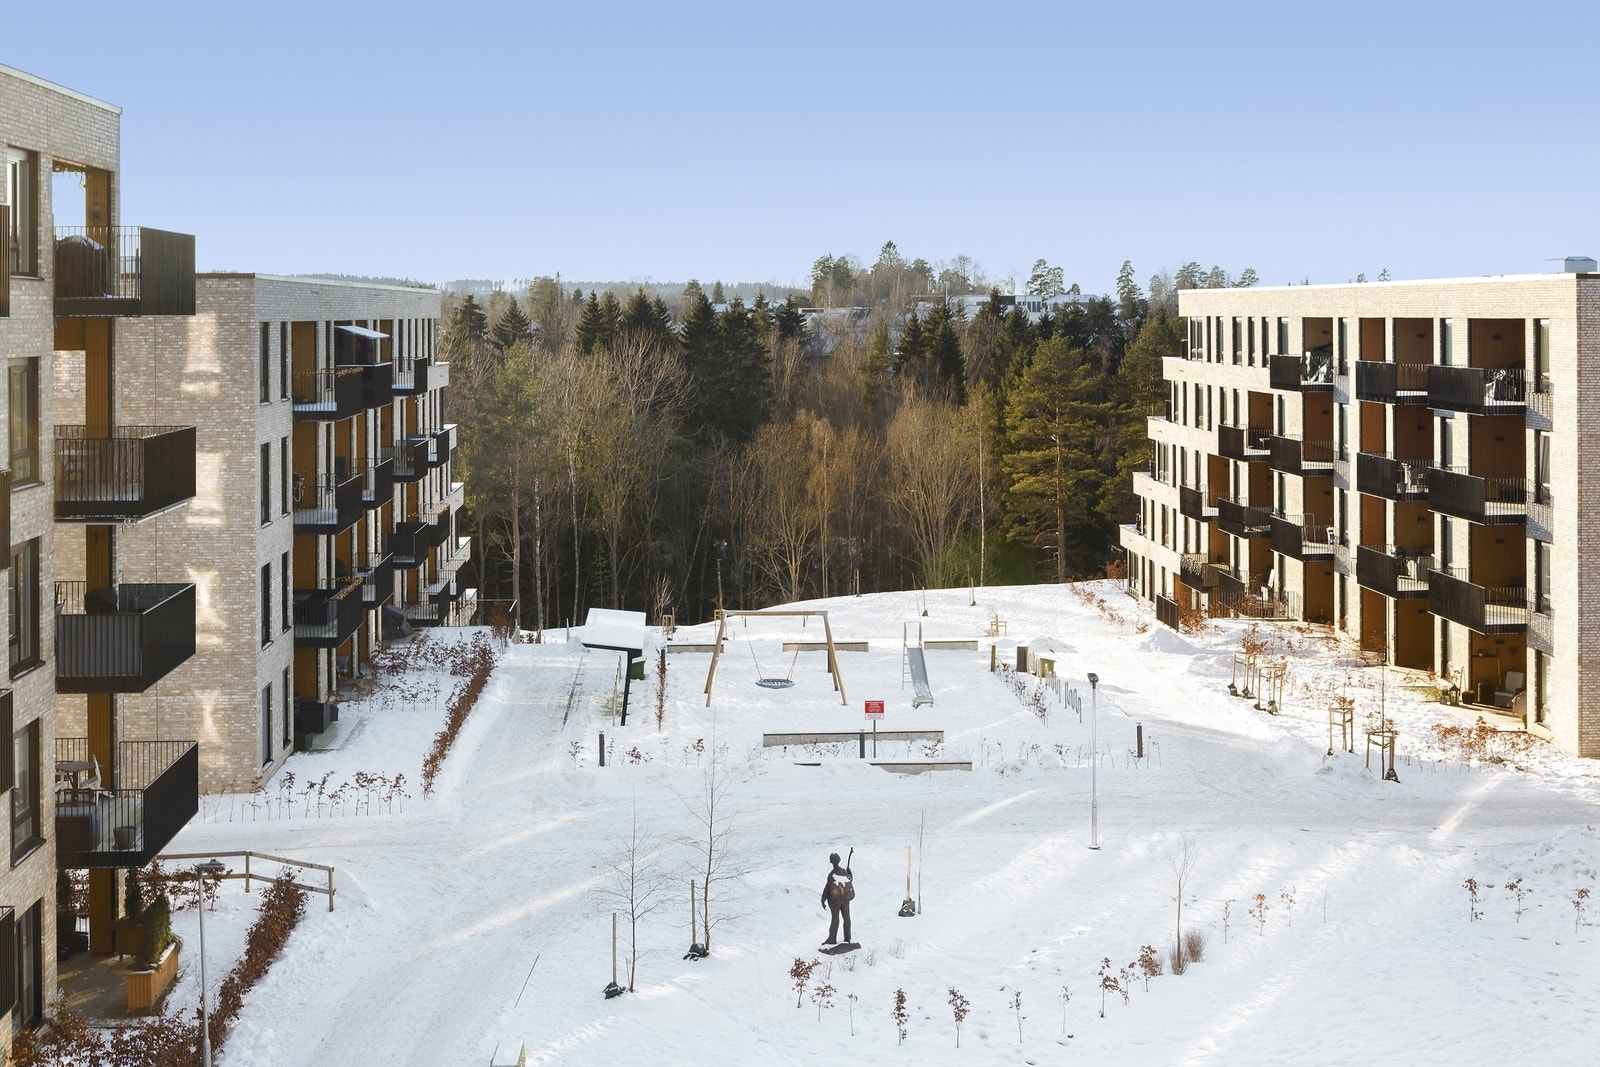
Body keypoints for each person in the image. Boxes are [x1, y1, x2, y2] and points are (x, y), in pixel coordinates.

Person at [821, 851, 853, 944]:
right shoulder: (843, 871)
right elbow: (850, 880)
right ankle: (847, 938)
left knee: (835, 919)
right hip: (845, 899)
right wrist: (850, 873)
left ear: (831, 862)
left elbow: (827, 888)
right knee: (846, 918)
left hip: (835, 901)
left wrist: (823, 900)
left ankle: (832, 939)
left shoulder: (832, 874)